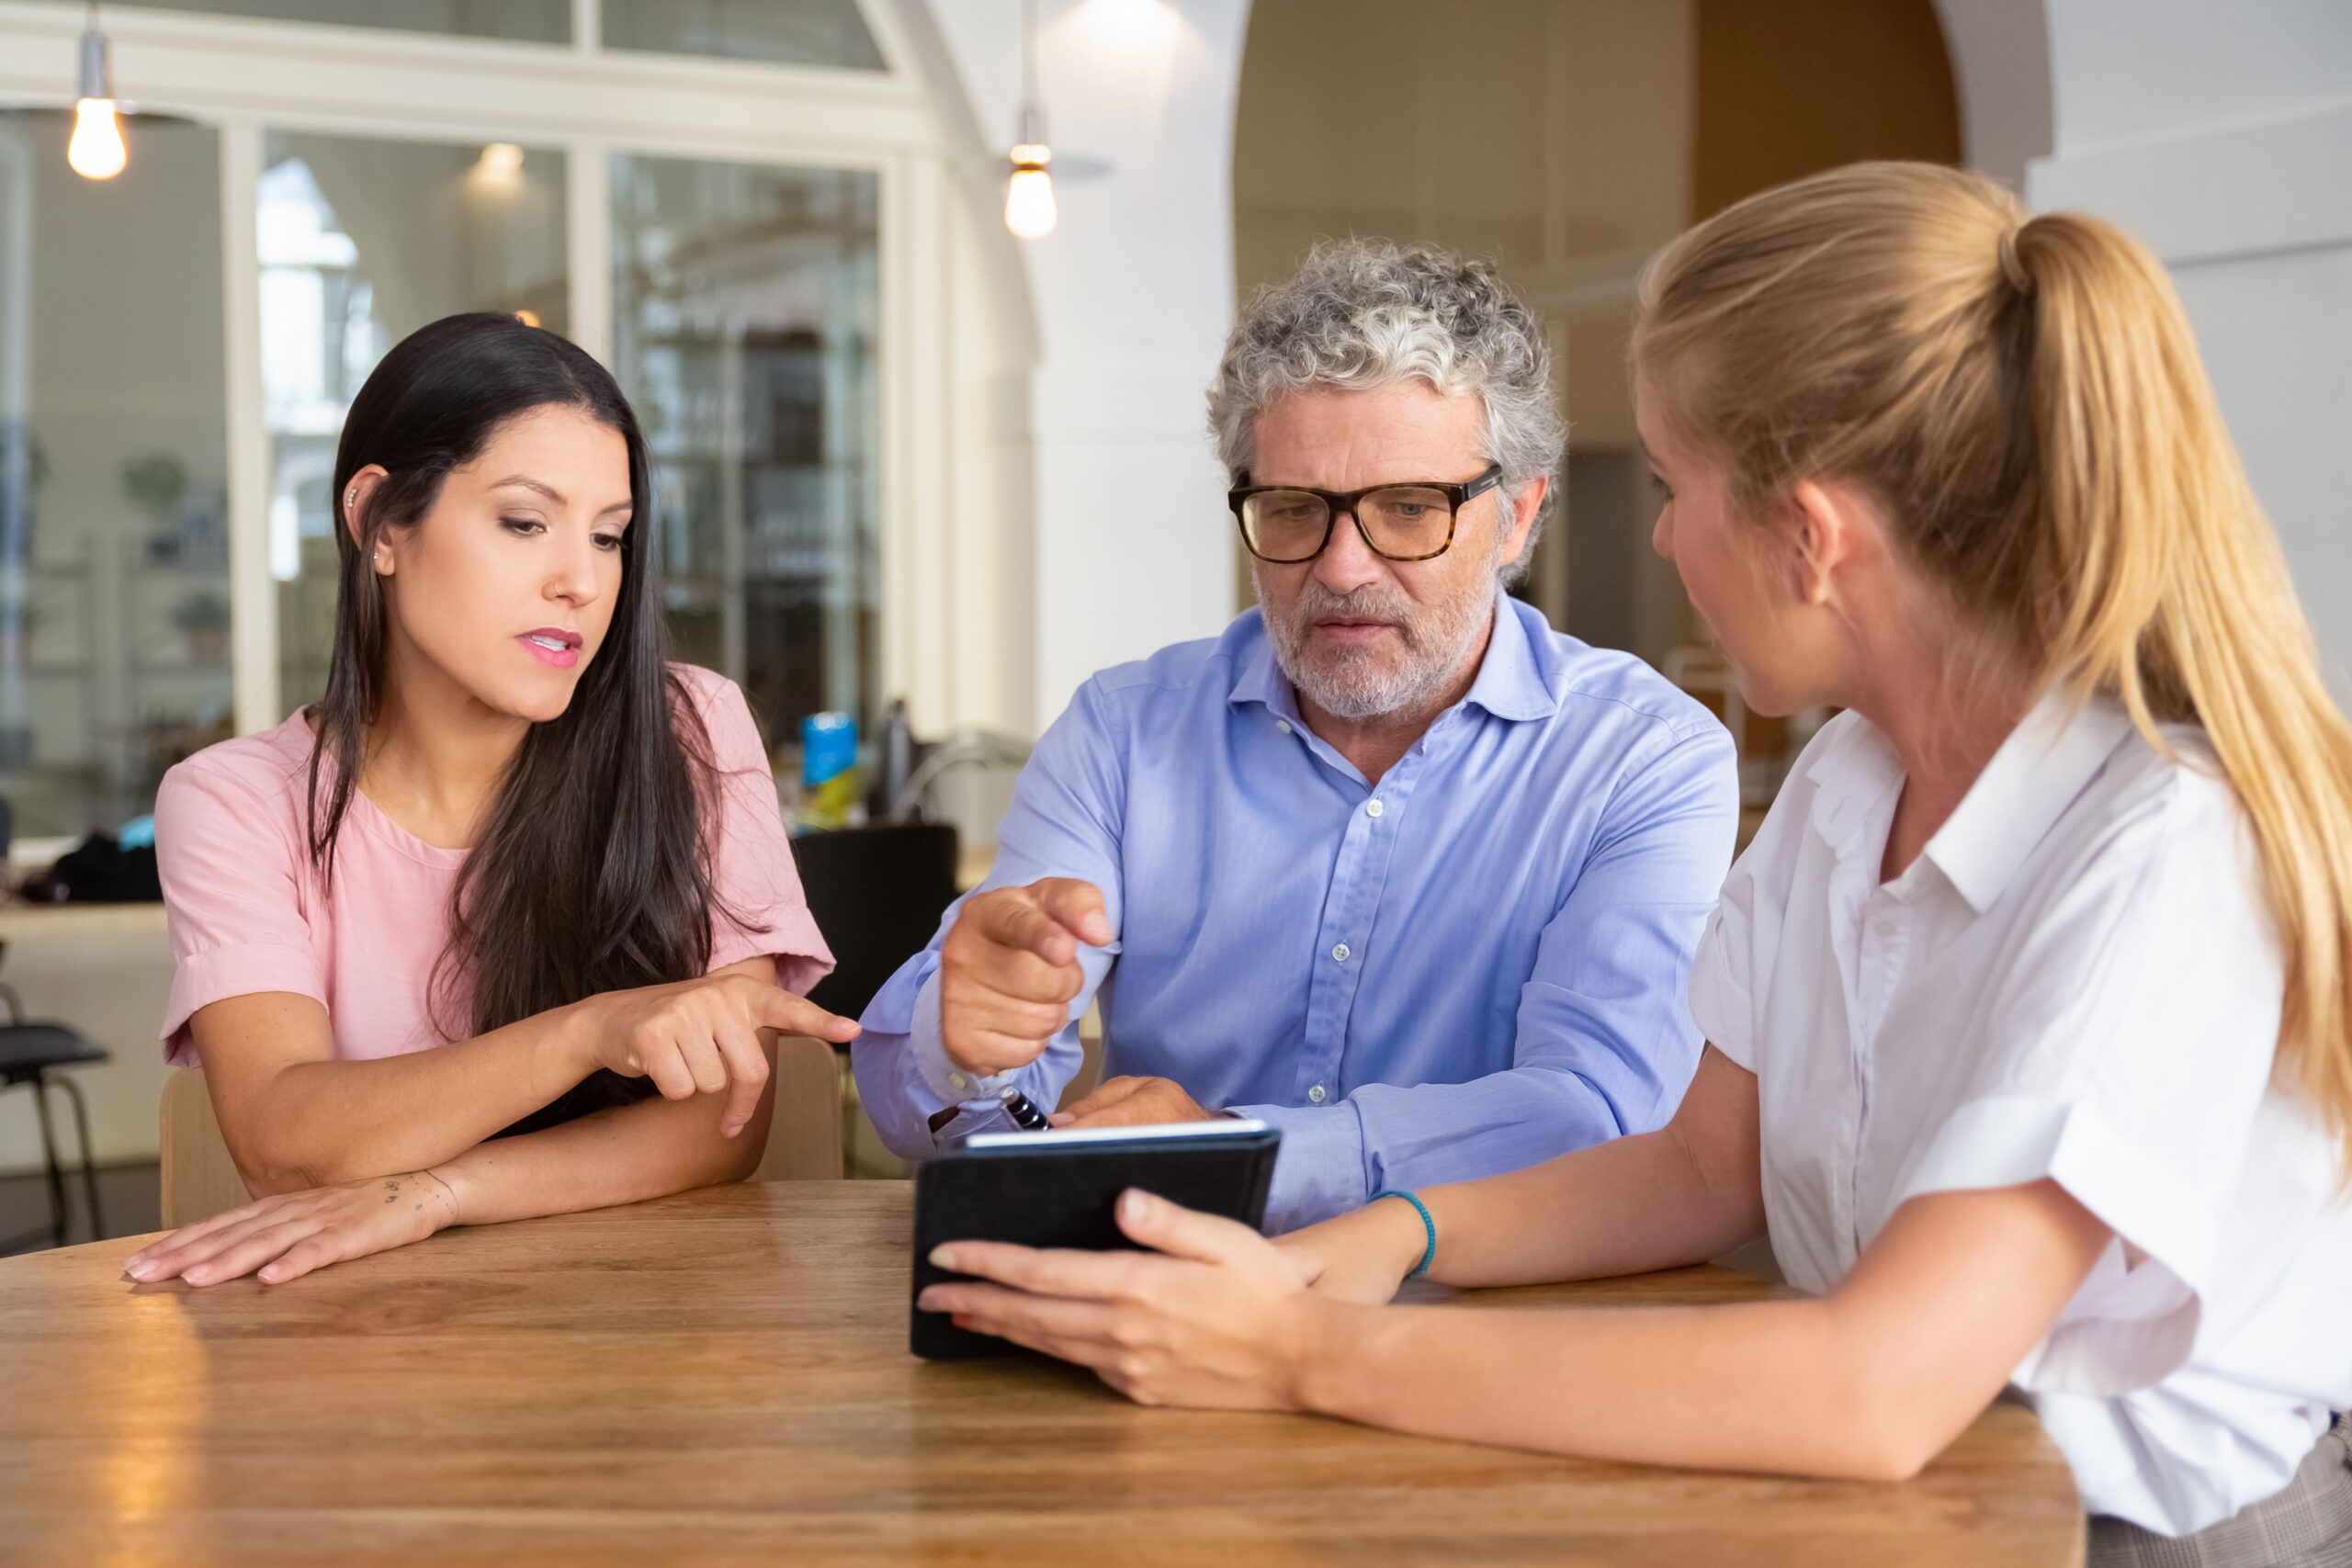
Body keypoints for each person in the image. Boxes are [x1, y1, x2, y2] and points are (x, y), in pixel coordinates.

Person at [914, 164, 2352, 1563]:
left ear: (1813, 536)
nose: (1659, 540)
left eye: (1673, 486)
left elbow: (1876, 1383)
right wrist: (1374, 1235)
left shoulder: (2164, 848)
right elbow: (1697, 1164)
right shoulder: (1850, 786)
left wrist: (1299, 1347)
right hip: (1932, 1491)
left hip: (2140, 1535)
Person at [854, 240, 1738, 1229]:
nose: (1343, 567)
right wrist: (964, 1047)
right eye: (1294, 510)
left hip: (1487, 1326)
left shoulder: (1643, 759)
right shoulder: (1122, 732)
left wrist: (1234, 1149)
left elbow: (1603, 1116)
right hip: (1160, 1314)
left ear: (1518, 517)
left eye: (1409, 509)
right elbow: (929, 1121)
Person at [123, 313, 856, 1290]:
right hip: (368, 1346)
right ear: (380, 523)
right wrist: (589, 1030)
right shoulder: (231, 800)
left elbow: (720, 1127)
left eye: (610, 536)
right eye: (524, 523)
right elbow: (286, 1142)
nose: (581, 582)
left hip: (659, 1321)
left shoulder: (689, 729)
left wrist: (440, 1191)